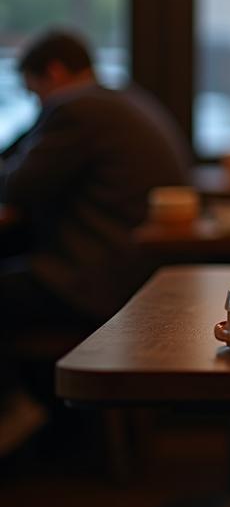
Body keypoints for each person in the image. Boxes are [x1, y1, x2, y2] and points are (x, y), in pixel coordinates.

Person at [0, 28, 190, 442]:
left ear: (53, 71)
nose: (37, 104)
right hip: (136, 272)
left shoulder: (77, 108)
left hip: (96, 279)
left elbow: (17, 185)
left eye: (35, 93)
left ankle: (14, 408)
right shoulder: (119, 98)